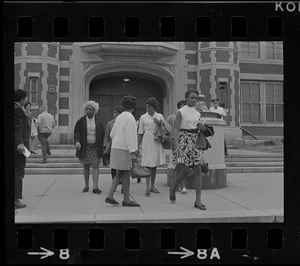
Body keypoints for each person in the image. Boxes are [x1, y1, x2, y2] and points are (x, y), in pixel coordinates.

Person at [169, 89, 207, 210]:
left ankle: (198, 200)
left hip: (195, 139)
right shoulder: (181, 111)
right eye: (192, 97)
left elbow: (199, 126)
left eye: (196, 98)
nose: (194, 100)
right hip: (184, 139)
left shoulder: (197, 113)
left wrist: (202, 127)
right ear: (187, 98)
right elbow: (176, 129)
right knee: (185, 168)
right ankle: (174, 187)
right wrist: (176, 145)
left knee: (197, 168)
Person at [105, 95, 140, 207]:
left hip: (116, 147)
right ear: (134, 106)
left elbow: (111, 134)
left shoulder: (119, 117)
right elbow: (129, 136)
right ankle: (126, 200)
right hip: (125, 149)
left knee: (120, 173)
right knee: (125, 174)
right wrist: (132, 152)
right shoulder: (130, 118)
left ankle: (111, 196)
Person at [74, 101, 105, 194]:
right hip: (85, 147)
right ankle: (86, 185)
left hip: (95, 147)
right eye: (86, 109)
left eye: (90, 109)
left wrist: (104, 146)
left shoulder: (98, 122)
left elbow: (102, 134)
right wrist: (77, 141)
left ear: (94, 110)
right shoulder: (81, 121)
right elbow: (76, 132)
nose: (88, 111)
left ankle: (95, 187)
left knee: (95, 165)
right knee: (86, 166)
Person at [138, 97, 166, 196]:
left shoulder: (159, 116)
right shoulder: (143, 117)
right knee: (148, 163)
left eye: (149, 106)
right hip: (147, 139)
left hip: (156, 139)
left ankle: (152, 186)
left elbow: (165, 128)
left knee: (153, 165)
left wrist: (159, 123)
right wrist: (138, 145)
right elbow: (140, 132)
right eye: (146, 106)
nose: (147, 107)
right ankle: (147, 187)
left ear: (154, 107)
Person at [166, 99, 188, 194]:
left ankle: (176, 184)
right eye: (183, 106)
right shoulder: (172, 117)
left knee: (181, 164)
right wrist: (170, 137)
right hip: (177, 144)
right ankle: (181, 185)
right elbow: (165, 126)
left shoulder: (187, 117)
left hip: (186, 142)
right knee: (180, 163)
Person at [15, 89, 30, 209]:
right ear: (21, 99)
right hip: (19, 147)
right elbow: (18, 127)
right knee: (18, 172)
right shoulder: (18, 109)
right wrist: (20, 143)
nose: (26, 100)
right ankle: (15, 200)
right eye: (25, 98)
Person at [103, 106, 124, 180]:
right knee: (113, 164)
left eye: (117, 113)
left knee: (121, 164)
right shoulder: (110, 123)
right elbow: (106, 135)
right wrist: (105, 146)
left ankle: (122, 178)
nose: (115, 114)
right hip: (112, 145)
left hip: (121, 145)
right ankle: (114, 179)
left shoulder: (123, 122)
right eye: (114, 112)